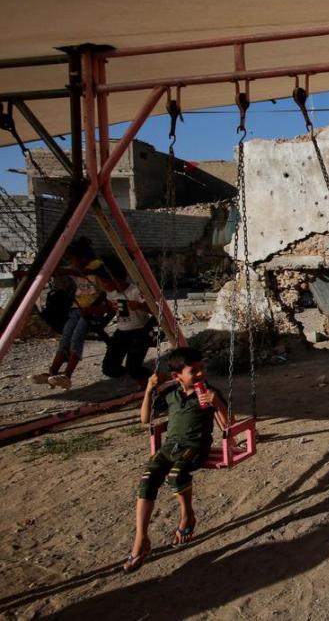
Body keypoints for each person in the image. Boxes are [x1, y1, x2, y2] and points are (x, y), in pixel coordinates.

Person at [122, 347, 229, 574]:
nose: (201, 374)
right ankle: (141, 539)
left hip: (196, 446)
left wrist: (216, 403)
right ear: (176, 376)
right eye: (194, 371)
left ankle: (187, 516)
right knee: (147, 481)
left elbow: (229, 425)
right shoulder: (170, 393)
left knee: (176, 475)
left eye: (202, 369)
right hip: (171, 447)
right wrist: (149, 390)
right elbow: (144, 419)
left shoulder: (210, 392)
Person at [30, 237, 108, 390]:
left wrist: (63, 270)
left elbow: (90, 277)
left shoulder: (96, 266)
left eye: (71, 258)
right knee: (66, 337)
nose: (70, 261)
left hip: (93, 311)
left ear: (83, 257)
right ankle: (52, 373)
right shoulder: (76, 266)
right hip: (77, 309)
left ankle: (67, 375)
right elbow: (70, 272)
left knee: (76, 338)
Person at [100, 256, 155, 388]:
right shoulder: (110, 293)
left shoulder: (135, 291)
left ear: (116, 280)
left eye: (105, 282)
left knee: (134, 368)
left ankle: (150, 384)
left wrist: (140, 306)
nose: (103, 285)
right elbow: (111, 309)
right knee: (109, 369)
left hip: (139, 332)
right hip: (121, 332)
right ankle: (137, 376)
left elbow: (156, 310)